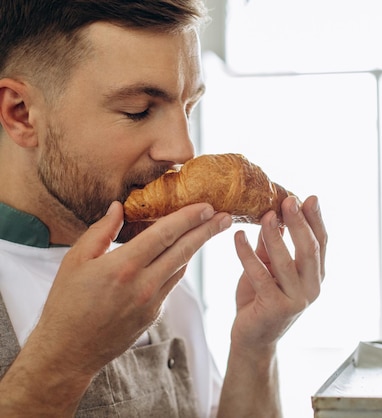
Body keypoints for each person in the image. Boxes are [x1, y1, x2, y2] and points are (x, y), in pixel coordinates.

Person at [0, 1, 327, 417]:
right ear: (22, 114)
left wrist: (256, 347)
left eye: (189, 106)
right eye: (138, 110)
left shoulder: (160, 283)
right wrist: (66, 357)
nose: (183, 150)